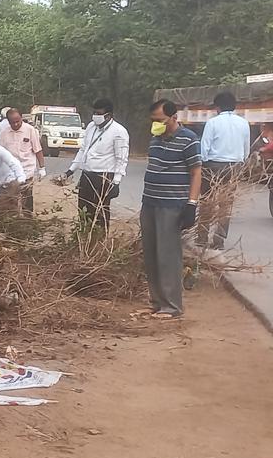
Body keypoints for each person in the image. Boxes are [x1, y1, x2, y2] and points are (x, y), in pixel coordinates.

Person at [141, 99, 202, 319]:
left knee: (168, 255)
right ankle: (157, 302)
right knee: (151, 254)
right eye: (153, 120)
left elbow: (196, 173)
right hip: (149, 203)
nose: (155, 124)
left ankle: (172, 306)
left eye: (160, 120)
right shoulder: (155, 138)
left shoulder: (189, 140)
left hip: (171, 205)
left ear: (174, 118)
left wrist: (191, 204)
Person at [60, 98, 130, 229]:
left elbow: (122, 159)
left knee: (100, 214)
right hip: (87, 175)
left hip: (103, 177)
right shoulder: (91, 126)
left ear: (109, 116)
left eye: (99, 114)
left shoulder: (119, 132)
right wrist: (70, 170)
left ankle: (99, 243)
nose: (96, 116)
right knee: (83, 211)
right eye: (94, 113)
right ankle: (83, 239)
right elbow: (83, 150)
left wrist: (116, 182)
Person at [197, 91, 249, 254]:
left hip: (213, 165)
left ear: (217, 107)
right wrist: (241, 161)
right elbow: (246, 148)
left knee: (207, 201)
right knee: (225, 205)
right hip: (234, 166)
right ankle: (219, 241)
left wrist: (202, 164)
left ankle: (202, 239)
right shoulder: (244, 123)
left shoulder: (212, 123)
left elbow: (204, 147)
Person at [0, 108, 46, 212]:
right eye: (13, 122)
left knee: (27, 199)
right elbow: (0, 154)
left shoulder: (30, 130)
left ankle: (28, 220)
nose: (16, 124)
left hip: (27, 170)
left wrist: (42, 168)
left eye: (18, 121)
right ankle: (14, 221)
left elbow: (38, 150)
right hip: (11, 172)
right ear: (8, 121)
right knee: (11, 199)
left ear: (21, 118)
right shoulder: (4, 133)